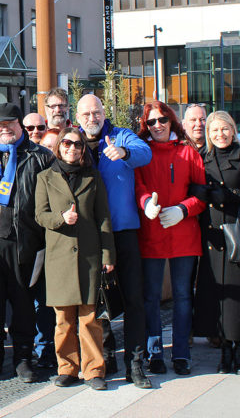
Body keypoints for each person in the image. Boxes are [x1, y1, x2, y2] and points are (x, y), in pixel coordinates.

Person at [0, 103, 54, 383]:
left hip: (22, 242)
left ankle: (24, 358)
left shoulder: (40, 157)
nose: (5, 130)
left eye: (11, 125)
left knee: (23, 305)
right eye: (0, 126)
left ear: (19, 125)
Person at [75, 94, 153, 388]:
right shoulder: (73, 141)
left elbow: (145, 153)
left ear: (104, 113)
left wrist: (123, 152)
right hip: (89, 235)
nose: (91, 118)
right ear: (78, 115)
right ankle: (104, 358)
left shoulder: (121, 135)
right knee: (96, 302)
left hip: (123, 231)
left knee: (134, 298)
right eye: (86, 113)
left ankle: (136, 363)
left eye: (96, 113)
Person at [35, 128, 115, 390]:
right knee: (63, 320)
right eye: (67, 143)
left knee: (90, 318)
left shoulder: (93, 176)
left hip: (90, 256)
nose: (72, 148)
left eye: (77, 144)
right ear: (59, 146)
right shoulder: (45, 177)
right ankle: (67, 368)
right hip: (59, 257)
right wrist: (61, 218)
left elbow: (103, 217)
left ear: (83, 149)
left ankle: (94, 370)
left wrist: (108, 254)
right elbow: (40, 215)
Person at [191, 111, 240, 375]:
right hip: (213, 238)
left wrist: (229, 195)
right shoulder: (203, 159)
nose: (220, 135)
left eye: (224, 129)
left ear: (233, 131)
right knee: (218, 297)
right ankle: (224, 350)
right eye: (214, 131)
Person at [134, 101, 206, 376]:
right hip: (151, 233)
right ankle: (155, 353)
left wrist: (183, 209)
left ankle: (181, 354)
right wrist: (145, 204)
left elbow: (201, 195)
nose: (157, 126)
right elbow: (138, 186)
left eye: (162, 120)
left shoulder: (189, 152)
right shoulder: (143, 152)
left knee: (183, 296)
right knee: (151, 297)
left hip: (183, 233)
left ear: (171, 121)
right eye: (151, 122)